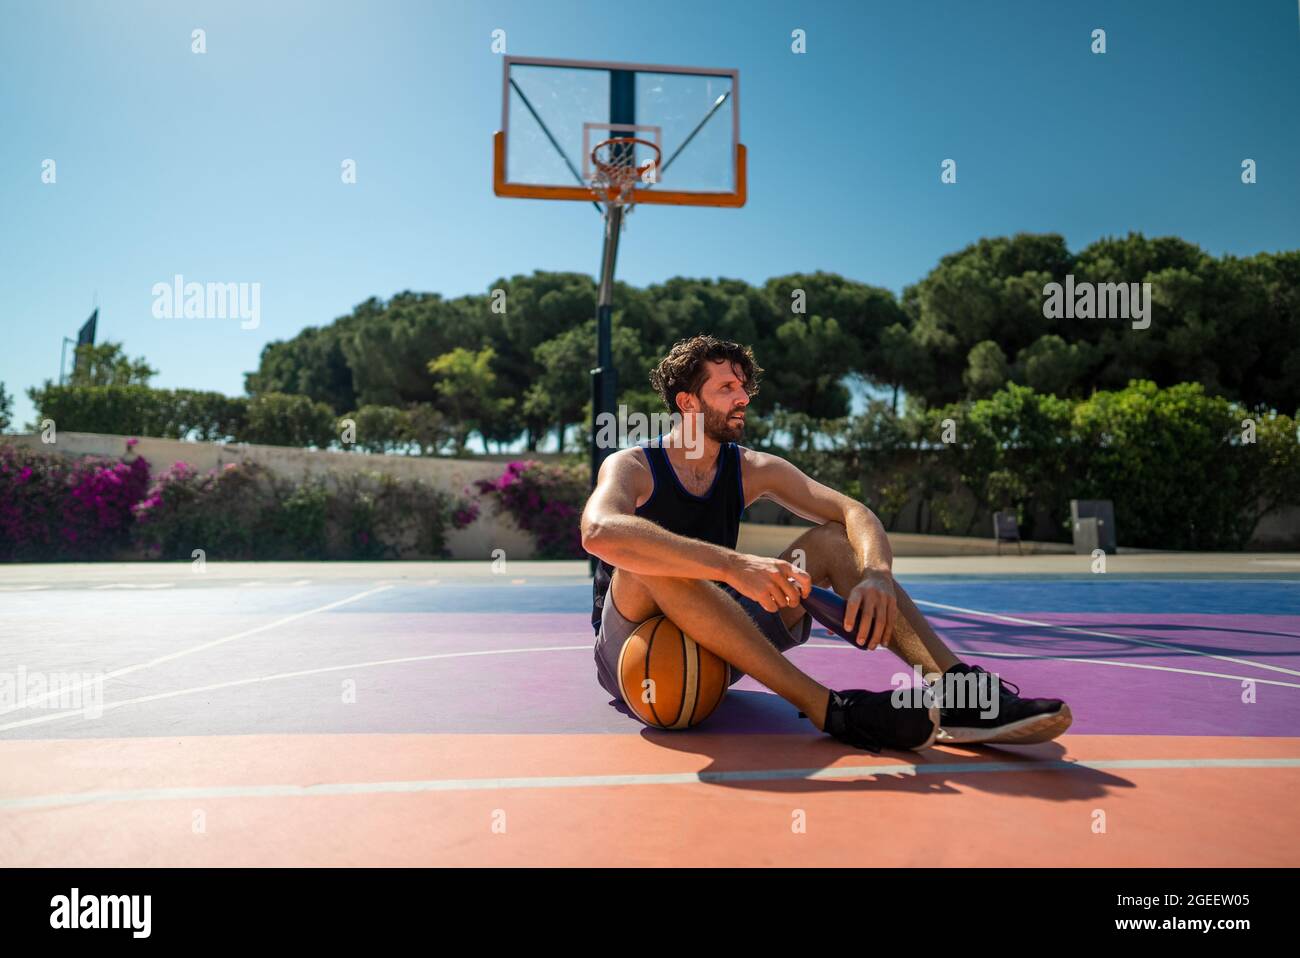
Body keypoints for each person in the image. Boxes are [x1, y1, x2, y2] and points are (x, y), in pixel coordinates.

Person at [581, 334, 1071, 752]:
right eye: (727, 387)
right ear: (688, 402)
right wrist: (733, 567)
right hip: (634, 647)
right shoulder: (634, 465)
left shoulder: (751, 468)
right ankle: (833, 710)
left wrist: (877, 573)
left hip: (720, 638)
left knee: (835, 541)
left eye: (745, 386)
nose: (743, 397)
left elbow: (854, 512)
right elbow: (599, 531)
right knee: (649, 560)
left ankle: (958, 690)